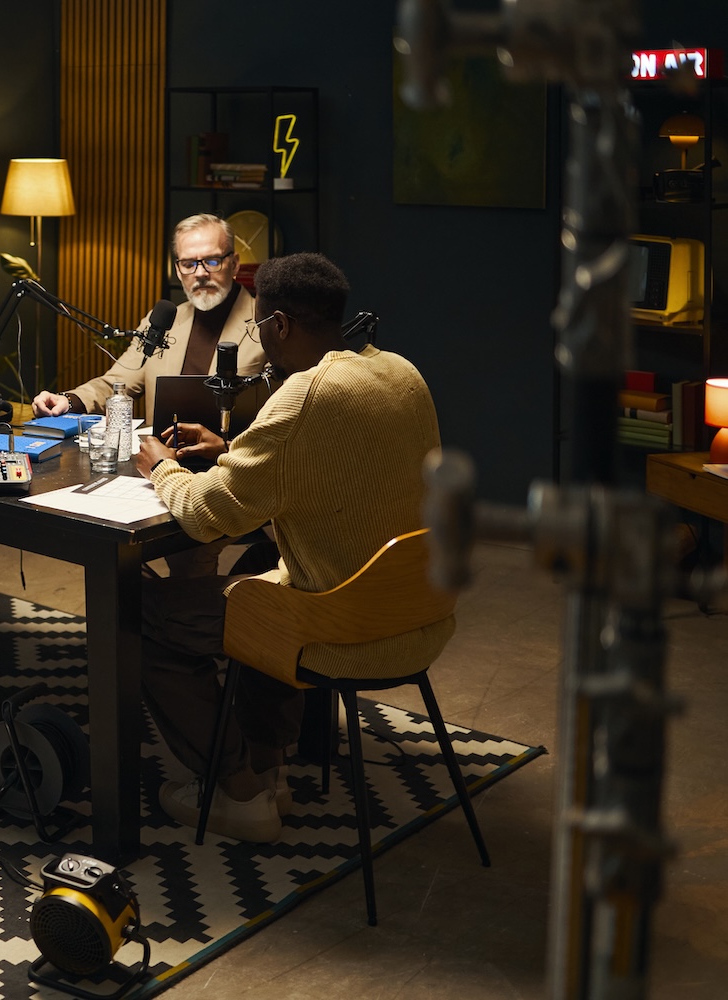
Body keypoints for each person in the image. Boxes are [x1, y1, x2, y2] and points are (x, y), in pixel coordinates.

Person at [131, 252, 452, 843]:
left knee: (140, 615)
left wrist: (160, 467)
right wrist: (230, 444)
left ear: (278, 324)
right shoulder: (400, 372)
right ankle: (268, 760)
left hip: (341, 625)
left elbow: (206, 516)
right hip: (418, 607)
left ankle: (239, 792)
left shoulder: (305, 395)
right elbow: (329, 466)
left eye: (258, 327)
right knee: (261, 563)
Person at [30, 213, 267, 434]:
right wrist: (69, 400)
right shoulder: (164, 321)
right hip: (162, 461)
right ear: (177, 269)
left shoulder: (266, 324)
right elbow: (117, 382)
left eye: (212, 261)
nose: (200, 273)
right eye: (188, 264)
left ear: (235, 264)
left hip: (232, 464)